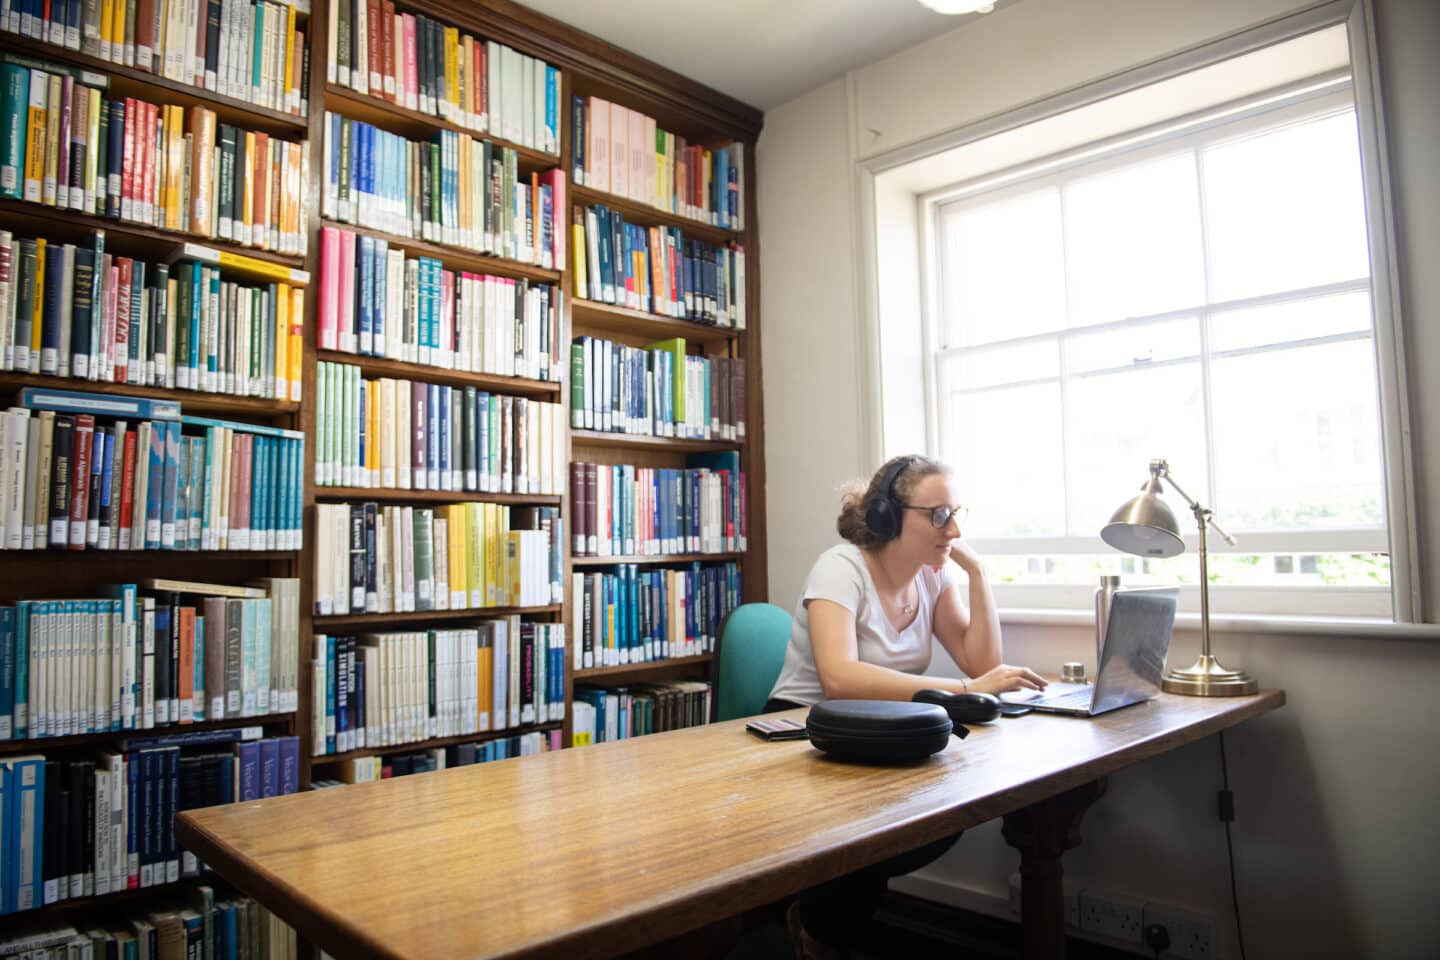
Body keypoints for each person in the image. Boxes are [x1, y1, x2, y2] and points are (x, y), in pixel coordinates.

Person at [767, 454, 1048, 959]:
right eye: (938, 515)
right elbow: (840, 678)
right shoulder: (840, 567)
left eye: (956, 512)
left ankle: (822, 922)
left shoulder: (931, 576)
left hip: (878, 729)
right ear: (888, 516)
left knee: (944, 816)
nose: (954, 528)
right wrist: (962, 690)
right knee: (872, 834)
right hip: (807, 731)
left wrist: (979, 575)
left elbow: (982, 659)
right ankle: (819, 929)